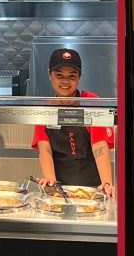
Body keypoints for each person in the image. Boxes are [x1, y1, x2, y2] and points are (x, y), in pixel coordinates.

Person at [34, 49, 114, 194]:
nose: (65, 81)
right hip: (60, 190)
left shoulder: (91, 102)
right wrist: (50, 179)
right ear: (49, 75)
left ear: (79, 77)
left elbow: (99, 146)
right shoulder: (45, 109)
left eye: (72, 76)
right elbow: (45, 148)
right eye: (59, 75)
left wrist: (107, 183)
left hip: (93, 190)